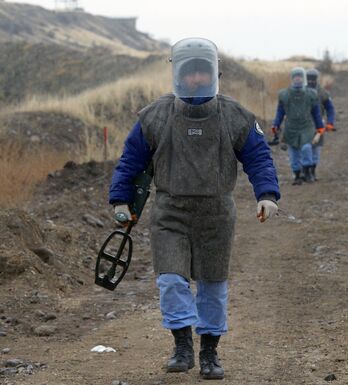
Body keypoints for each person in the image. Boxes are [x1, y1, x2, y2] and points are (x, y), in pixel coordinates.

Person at [108, 37, 280, 380]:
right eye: (190, 73)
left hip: (217, 214)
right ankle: (182, 347)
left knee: (213, 285)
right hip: (169, 212)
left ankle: (210, 354)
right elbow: (130, 161)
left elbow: (258, 157)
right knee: (171, 280)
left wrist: (267, 194)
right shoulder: (154, 116)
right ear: (178, 75)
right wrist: (120, 198)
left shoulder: (236, 115)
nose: (197, 80)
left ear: (214, 74)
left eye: (203, 73)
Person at [272, 67, 325, 185]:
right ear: (292, 78)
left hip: (307, 126)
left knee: (307, 148)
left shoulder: (311, 94)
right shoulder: (284, 95)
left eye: (300, 76)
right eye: (296, 77)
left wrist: (320, 127)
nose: (298, 79)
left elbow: (316, 113)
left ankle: (308, 172)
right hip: (291, 127)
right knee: (294, 153)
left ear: (303, 78)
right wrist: (276, 124)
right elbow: (280, 112)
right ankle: (297, 176)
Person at [306, 68, 336, 181]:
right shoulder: (300, 91)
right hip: (303, 125)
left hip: (318, 125)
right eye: (309, 79)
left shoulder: (323, 93)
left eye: (313, 79)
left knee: (316, 150)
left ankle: (312, 172)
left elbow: (330, 109)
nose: (311, 81)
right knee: (304, 149)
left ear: (316, 79)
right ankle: (305, 172)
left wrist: (330, 123)